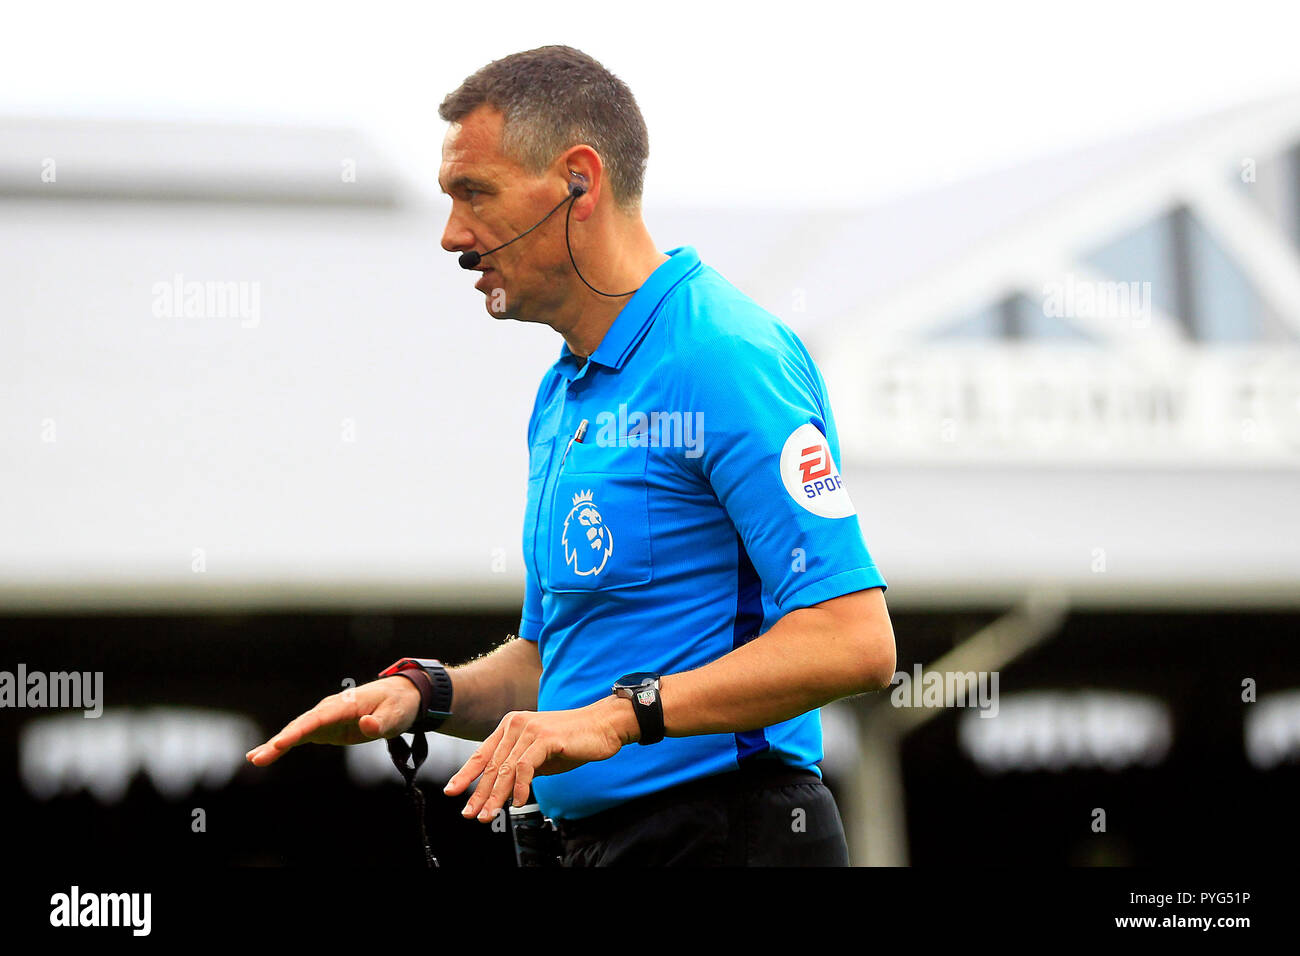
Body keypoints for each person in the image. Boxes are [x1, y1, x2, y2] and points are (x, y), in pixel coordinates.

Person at [246, 45, 896, 867]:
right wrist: (425, 693)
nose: (452, 236)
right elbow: (556, 668)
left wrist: (620, 716)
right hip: (586, 849)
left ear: (578, 182)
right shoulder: (564, 391)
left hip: (728, 838)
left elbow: (855, 642)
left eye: (473, 193)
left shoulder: (724, 355)